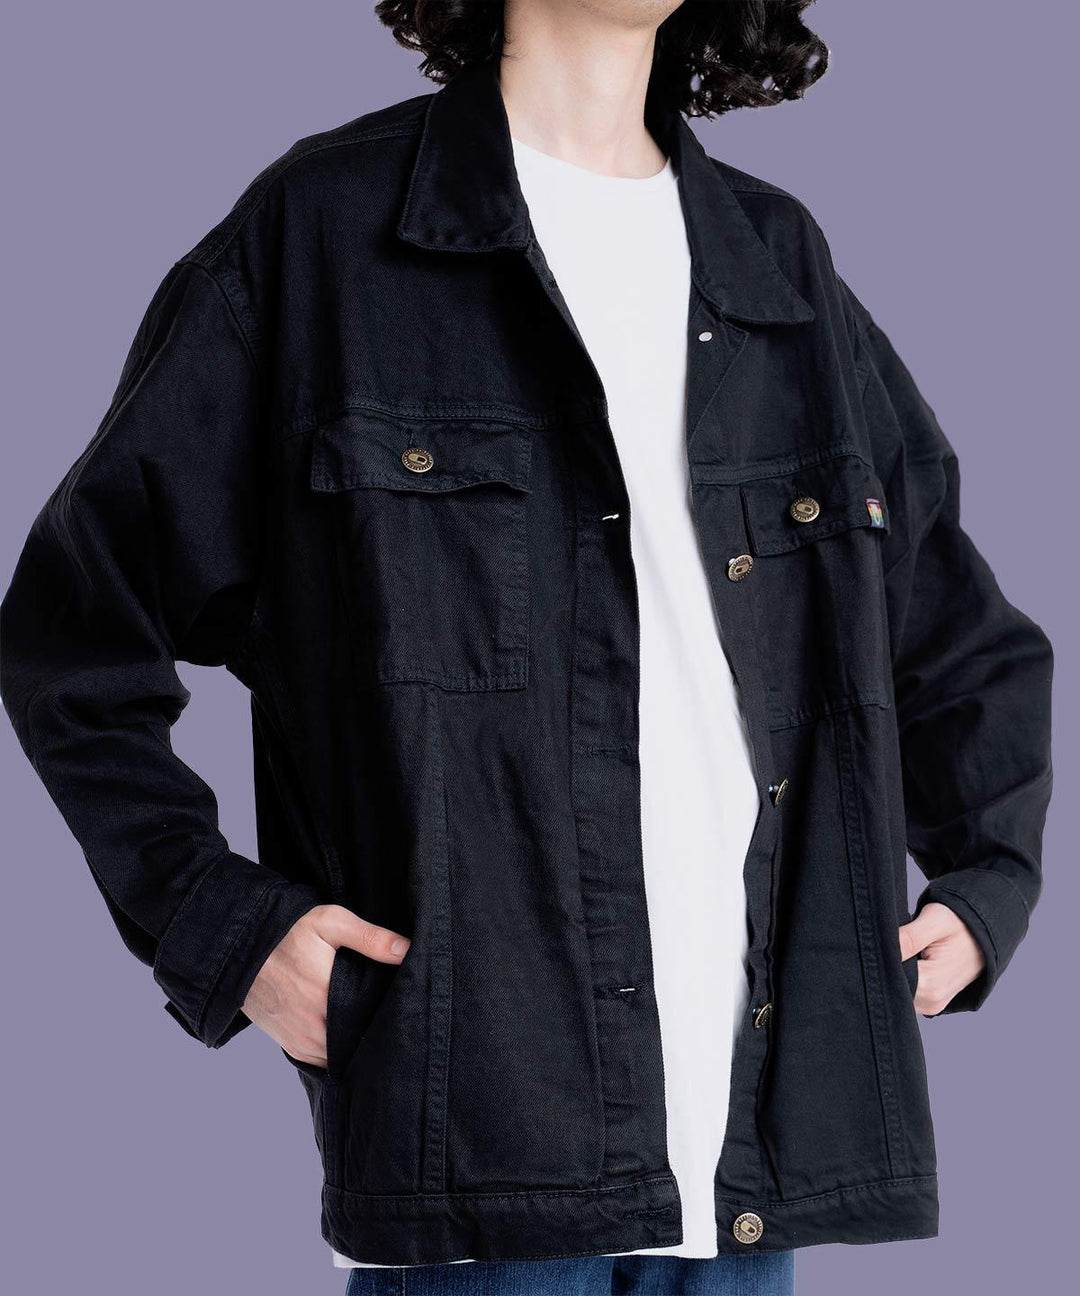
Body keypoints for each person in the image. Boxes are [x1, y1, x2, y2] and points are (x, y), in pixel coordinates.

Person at [0, 2, 1054, 1294]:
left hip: (755, 1163)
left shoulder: (773, 259)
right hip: (478, 1143)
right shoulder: (327, 232)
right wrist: (223, 928)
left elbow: (960, 637)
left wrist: (986, 885)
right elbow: (76, 633)